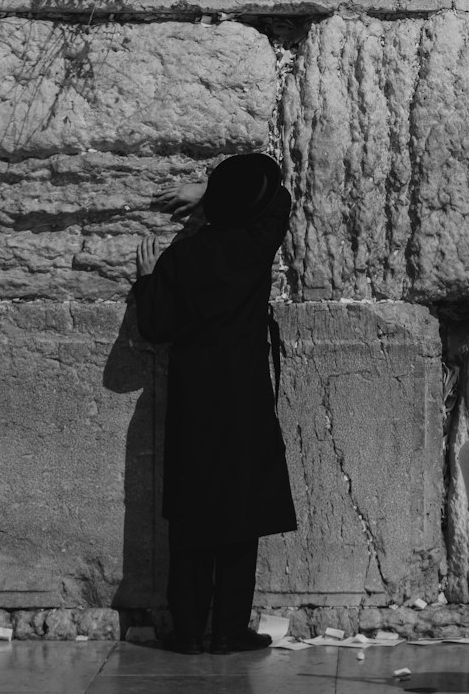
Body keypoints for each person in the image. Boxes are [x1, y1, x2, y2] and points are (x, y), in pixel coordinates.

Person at [133, 151, 297, 654]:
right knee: (238, 517)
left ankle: (186, 630)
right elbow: (279, 200)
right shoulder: (254, 246)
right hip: (242, 397)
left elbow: (156, 328)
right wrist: (207, 193)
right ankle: (227, 630)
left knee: (192, 517)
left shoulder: (181, 258)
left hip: (192, 398)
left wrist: (146, 280)